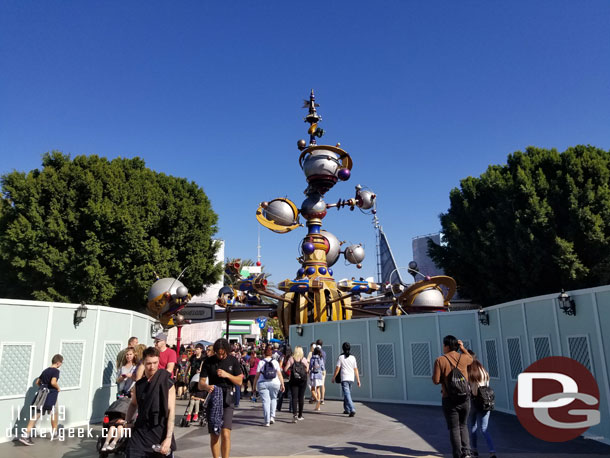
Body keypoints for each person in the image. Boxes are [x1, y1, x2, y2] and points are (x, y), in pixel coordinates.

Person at [125, 346, 176, 457]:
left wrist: (168, 438)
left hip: (159, 431)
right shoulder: (139, 385)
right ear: (143, 362)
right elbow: (133, 404)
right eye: (148, 363)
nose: (152, 367)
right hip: (140, 432)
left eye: (155, 362)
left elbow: (171, 411)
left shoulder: (166, 381)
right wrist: (127, 422)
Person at [198, 338, 243, 458]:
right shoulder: (208, 361)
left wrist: (227, 375)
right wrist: (207, 387)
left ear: (227, 351)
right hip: (214, 398)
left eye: (223, 353)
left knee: (226, 433)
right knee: (214, 434)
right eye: (218, 353)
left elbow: (239, 381)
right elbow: (200, 383)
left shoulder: (233, 360)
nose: (220, 356)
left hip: (228, 398)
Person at [432, 335, 474, 458]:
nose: (443, 347)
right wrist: (462, 348)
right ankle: (466, 452)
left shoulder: (440, 360)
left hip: (449, 398)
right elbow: (471, 358)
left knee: (454, 428)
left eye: (443, 345)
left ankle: (457, 454)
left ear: (446, 346)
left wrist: (445, 380)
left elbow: (435, 380)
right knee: (463, 425)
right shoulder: (464, 358)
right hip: (465, 398)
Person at [20, 354, 63, 445]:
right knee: (54, 412)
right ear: (58, 362)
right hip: (51, 394)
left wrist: (43, 388)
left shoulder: (45, 371)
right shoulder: (56, 371)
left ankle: (25, 435)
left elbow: (37, 382)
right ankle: (54, 433)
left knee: (37, 414)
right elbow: (53, 382)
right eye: (61, 363)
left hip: (42, 394)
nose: (61, 365)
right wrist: (58, 388)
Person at [467, 350, 497, 458]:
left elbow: (468, 388)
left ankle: (474, 450)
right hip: (486, 400)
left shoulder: (470, 371)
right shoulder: (483, 370)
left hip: (474, 402)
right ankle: (492, 451)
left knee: (473, 426)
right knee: (484, 428)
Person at [253, 346, 285, 426]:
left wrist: (254, 386)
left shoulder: (261, 362)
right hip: (275, 383)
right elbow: (279, 374)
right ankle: (272, 417)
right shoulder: (275, 362)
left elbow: (257, 376)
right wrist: (282, 384)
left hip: (263, 383)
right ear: (271, 354)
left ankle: (267, 421)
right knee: (274, 398)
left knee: (265, 401)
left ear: (264, 354)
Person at [332, 342, 361, 417]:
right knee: (347, 394)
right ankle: (347, 409)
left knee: (347, 394)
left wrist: (333, 377)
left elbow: (337, 369)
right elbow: (356, 369)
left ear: (343, 349)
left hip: (344, 378)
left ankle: (352, 409)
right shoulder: (353, 357)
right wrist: (358, 380)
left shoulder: (341, 357)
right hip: (351, 378)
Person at [284, 345, 308, 422]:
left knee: (294, 398)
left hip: (294, 380)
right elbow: (307, 369)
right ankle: (300, 415)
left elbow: (285, 369)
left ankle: (295, 415)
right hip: (302, 380)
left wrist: (291, 370)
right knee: (301, 397)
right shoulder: (303, 359)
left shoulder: (291, 359)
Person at [309, 347, 325, 411]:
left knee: (312, 389)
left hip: (314, 375)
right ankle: (318, 407)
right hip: (319, 375)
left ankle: (317, 400)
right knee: (318, 389)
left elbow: (310, 366)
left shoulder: (312, 358)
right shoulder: (321, 358)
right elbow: (323, 367)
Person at [315, 339, 327, 404]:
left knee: (317, 385)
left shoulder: (315, 351)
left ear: (316, 344)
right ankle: (322, 398)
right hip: (323, 370)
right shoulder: (324, 353)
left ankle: (318, 398)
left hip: (317, 370)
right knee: (322, 384)